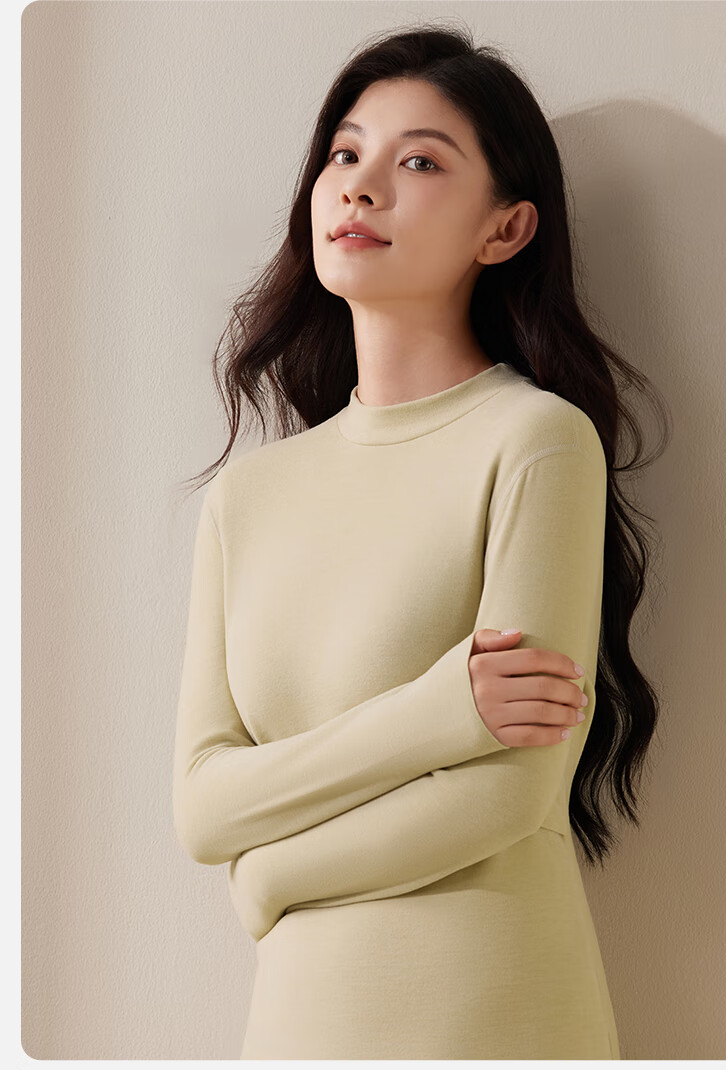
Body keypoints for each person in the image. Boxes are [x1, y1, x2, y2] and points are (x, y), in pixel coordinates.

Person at [172, 23, 669, 1061]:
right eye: (344, 154)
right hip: (296, 1024)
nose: (358, 187)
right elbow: (204, 807)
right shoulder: (248, 497)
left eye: (419, 163)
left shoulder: (534, 440)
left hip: (494, 1008)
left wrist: (274, 873)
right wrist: (441, 711)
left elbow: (509, 791)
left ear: (506, 228)